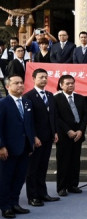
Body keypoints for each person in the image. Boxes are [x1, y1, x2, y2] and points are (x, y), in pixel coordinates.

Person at [24, 68, 61, 206]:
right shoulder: (28, 97)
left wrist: (55, 132)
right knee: (32, 168)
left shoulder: (51, 95)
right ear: (33, 79)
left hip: (48, 137)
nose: (44, 79)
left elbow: (53, 116)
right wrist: (33, 136)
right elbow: (28, 120)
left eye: (46, 77)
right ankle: (32, 196)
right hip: (36, 139)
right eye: (41, 77)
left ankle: (42, 193)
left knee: (43, 167)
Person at [0, 75, 35, 218]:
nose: (20, 85)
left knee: (19, 178)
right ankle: (5, 206)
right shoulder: (3, 103)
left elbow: (29, 125)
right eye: (16, 83)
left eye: (21, 83)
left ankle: (15, 203)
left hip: (24, 147)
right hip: (8, 149)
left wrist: (31, 142)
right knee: (5, 179)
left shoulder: (27, 103)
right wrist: (1, 146)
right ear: (8, 87)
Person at [53, 75, 87, 197]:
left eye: (72, 83)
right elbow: (56, 117)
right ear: (61, 85)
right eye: (67, 83)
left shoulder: (80, 98)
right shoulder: (56, 99)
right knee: (63, 162)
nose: (70, 85)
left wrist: (80, 131)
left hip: (78, 135)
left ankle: (73, 185)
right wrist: (68, 130)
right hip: (64, 136)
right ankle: (62, 187)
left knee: (75, 161)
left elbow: (84, 116)